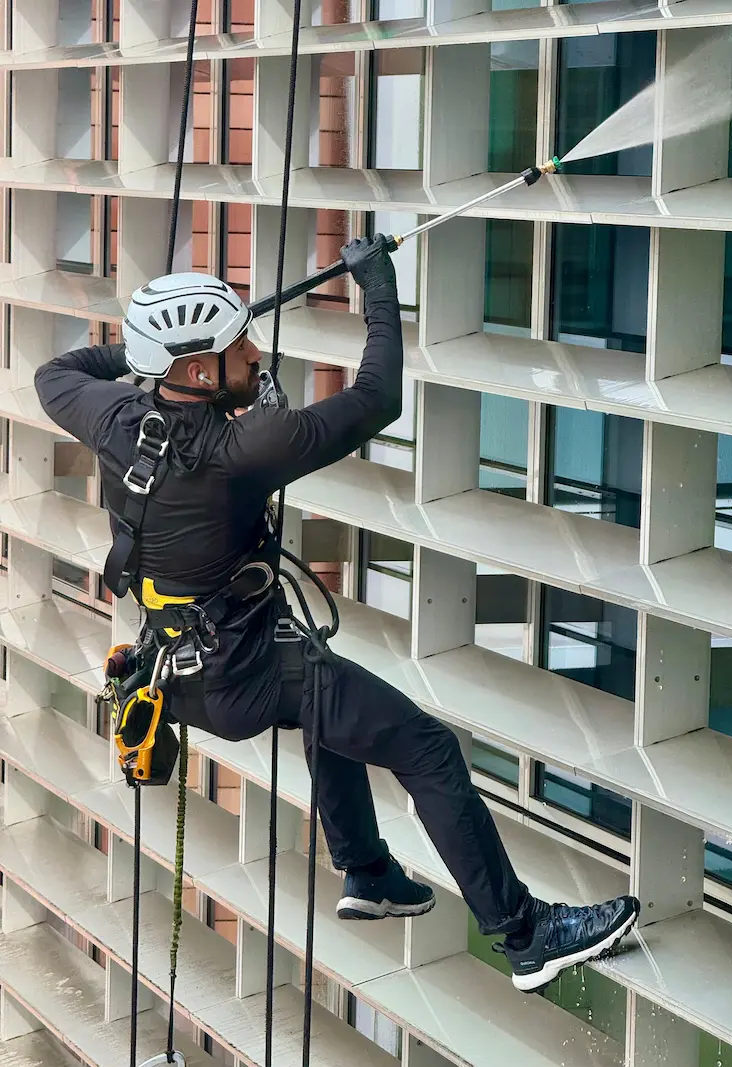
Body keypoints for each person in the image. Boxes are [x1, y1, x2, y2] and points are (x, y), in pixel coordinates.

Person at [34, 234, 639, 992]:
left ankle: (367, 869)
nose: (256, 355)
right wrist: (379, 289)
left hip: (179, 669)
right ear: (196, 369)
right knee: (427, 748)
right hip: (243, 674)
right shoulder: (246, 446)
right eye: (237, 347)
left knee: (329, 695)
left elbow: (53, 372)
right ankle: (526, 935)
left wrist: (148, 354)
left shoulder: (112, 415)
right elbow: (376, 398)